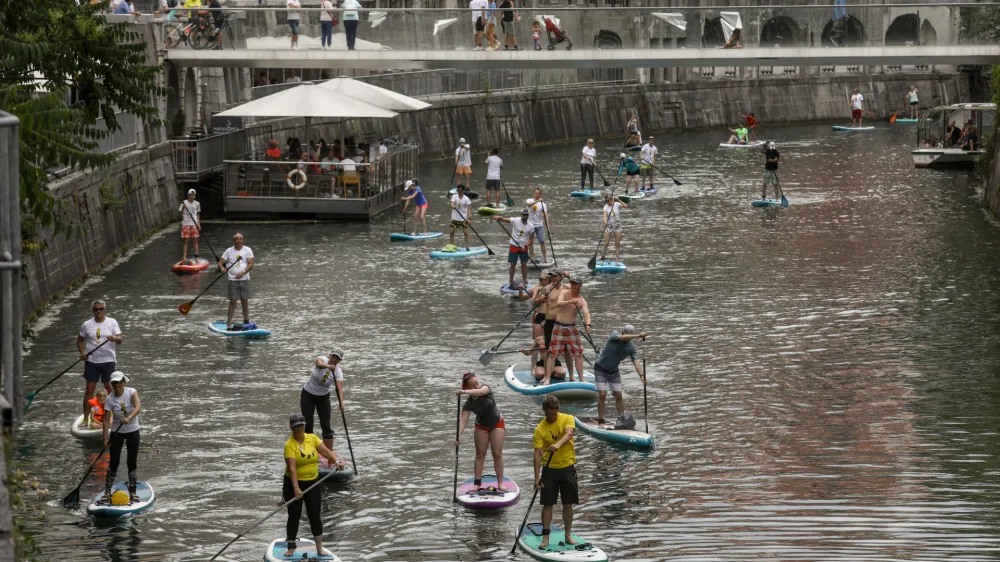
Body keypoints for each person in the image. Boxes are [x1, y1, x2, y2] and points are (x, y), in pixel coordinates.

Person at [282, 413, 346, 559]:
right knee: (294, 515)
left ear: (304, 426)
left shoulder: (312, 438)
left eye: (301, 426)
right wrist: (297, 488)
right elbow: (292, 469)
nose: (299, 429)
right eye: (296, 427)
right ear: (291, 428)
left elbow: (325, 451)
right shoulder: (289, 445)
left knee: (315, 515)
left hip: (312, 482)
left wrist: (335, 461)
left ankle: (319, 548)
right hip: (293, 483)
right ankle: (291, 547)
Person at [532, 396, 578, 550]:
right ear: (544, 412)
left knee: (568, 503)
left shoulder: (568, 418)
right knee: (547, 504)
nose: (551, 417)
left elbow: (569, 434)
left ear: (558, 410)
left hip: (567, 467)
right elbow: (538, 454)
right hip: (549, 469)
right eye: (548, 415)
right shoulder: (540, 429)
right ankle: (545, 537)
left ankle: (568, 535)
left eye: (554, 414)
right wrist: (537, 477)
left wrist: (556, 444)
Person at [456, 372, 508, 492]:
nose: (477, 386)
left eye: (477, 383)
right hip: (481, 426)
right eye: (473, 385)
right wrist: (458, 436)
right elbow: (463, 421)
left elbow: (480, 392)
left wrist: (463, 392)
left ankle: (500, 483)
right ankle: (477, 483)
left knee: (497, 453)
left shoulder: (485, 389)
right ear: (467, 387)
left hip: (497, 423)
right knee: (480, 454)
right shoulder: (469, 403)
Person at [78, 299, 122, 428]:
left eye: (101, 309)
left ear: (105, 309)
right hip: (92, 361)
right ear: (93, 310)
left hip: (108, 361)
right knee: (89, 390)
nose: (99, 311)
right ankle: (86, 419)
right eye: (96, 309)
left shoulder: (112, 322)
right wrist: (82, 353)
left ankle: (115, 416)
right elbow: (80, 340)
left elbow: (120, 340)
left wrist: (114, 338)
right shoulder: (86, 325)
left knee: (110, 389)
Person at [593, 326, 647, 424]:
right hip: (600, 368)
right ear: (622, 332)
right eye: (626, 334)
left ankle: (622, 420)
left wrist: (641, 376)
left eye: (630, 334)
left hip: (614, 371)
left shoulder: (631, 348)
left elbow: (636, 362)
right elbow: (623, 338)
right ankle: (601, 419)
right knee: (602, 394)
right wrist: (639, 335)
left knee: (618, 396)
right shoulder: (614, 335)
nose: (627, 336)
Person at [101, 371, 141, 503]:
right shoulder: (109, 399)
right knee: (114, 462)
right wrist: (105, 438)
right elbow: (106, 420)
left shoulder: (131, 392)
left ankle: (133, 490)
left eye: (118, 382)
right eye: (114, 383)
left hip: (132, 430)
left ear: (124, 382)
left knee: (131, 461)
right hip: (117, 432)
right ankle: (107, 491)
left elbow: (138, 407)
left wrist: (129, 417)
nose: (116, 385)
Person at [300, 349, 345, 463]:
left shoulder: (338, 372)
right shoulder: (323, 359)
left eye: (337, 358)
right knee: (308, 425)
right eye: (333, 356)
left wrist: (341, 403)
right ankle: (308, 453)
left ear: (339, 360)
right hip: (308, 395)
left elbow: (339, 388)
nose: (334, 359)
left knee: (326, 426)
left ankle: (330, 458)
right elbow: (319, 364)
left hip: (323, 398)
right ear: (330, 355)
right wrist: (328, 367)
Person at [549, 276, 590, 384]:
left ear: (580, 285)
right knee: (553, 353)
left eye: (576, 284)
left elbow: (586, 313)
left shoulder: (582, 300)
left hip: (572, 327)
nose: (573, 286)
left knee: (578, 354)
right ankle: (547, 379)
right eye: (572, 283)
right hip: (559, 326)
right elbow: (559, 303)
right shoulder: (564, 292)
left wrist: (588, 324)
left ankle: (581, 379)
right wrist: (569, 302)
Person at [218, 233, 254, 329]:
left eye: (240, 239)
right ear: (233, 241)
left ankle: (246, 321)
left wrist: (242, 272)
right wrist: (222, 268)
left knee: (244, 301)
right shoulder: (229, 251)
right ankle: (229, 324)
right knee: (233, 301)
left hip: (245, 279)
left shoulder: (247, 250)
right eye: (236, 239)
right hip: (232, 280)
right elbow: (220, 262)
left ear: (242, 240)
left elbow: (250, 264)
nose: (238, 240)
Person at [494, 209, 534, 287]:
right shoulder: (516, 220)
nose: (525, 216)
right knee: (513, 264)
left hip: (523, 246)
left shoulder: (531, 226)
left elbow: (531, 240)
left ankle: (524, 280)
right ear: (521, 215)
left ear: (528, 216)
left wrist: (525, 246)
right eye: (524, 215)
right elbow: (505, 219)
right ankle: (511, 280)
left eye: (526, 215)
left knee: (524, 264)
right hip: (513, 245)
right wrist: (498, 217)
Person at [525, 188, 550, 264]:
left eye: (538, 193)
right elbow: (528, 205)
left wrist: (547, 225)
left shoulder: (543, 204)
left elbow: (546, 215)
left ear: (540, 194)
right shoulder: (529, 200)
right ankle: (532, 258)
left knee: (542, 242)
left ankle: (545, 258)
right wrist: (537, 201)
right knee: (530, 243)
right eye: (535, 193)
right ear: (533, 194)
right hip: (530, 226)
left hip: (539, 225)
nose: (537, 194)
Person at [601, 195, 627, 264]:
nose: (609, 202)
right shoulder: (606, 207)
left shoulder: (616, 204)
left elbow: (625, 206)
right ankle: (602, 258)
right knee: (606, 242)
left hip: (617, 225)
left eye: (611, 201)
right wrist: (606, 222)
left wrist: (619, 200)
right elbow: (605, 217)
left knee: (617, 243)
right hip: (609, 225)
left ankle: (617, 260)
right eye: (608, 201)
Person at [178, 188, 201, 263]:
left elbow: (197, 214)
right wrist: (183, 209)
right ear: (188, 195)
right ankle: (184, 257)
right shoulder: (183, 203)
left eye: (194, 195)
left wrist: (198, 223)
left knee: (195, 241)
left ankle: (197, 257)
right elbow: (180, 215)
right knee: (186, 241)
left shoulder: (197, 203)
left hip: (194, 223)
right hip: (186, 223)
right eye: (191, 195)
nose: (193, 196)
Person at [450, 184, 473, 250]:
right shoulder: (454, 196)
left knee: (466, 233)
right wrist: (452, 205)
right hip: (454, 217)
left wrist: (469, 219)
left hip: (463, 218)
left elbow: (468, 209)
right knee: (451, 232)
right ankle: (452, 246)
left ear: (463, 191)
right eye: (458, 190)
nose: (459, 192)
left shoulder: (466, 199)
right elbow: (452, 203)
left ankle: (467, 247)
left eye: (460, 190)